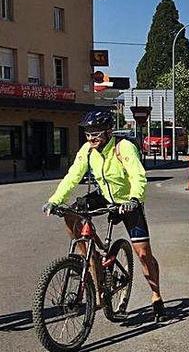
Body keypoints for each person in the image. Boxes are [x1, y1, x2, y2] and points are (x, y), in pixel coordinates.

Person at [42, 110, 165, 322]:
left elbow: (138, 175)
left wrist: (134, 199)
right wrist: (55, 200)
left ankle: (156, 295)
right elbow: (72, 176)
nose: (91, 138)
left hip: (127, 201)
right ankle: (92, 257)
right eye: (88, 134)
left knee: (143, 254)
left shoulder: (123, 147)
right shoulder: (88, 151)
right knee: (70, 214)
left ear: (109, 132)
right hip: (104, 196)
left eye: (96, 134)